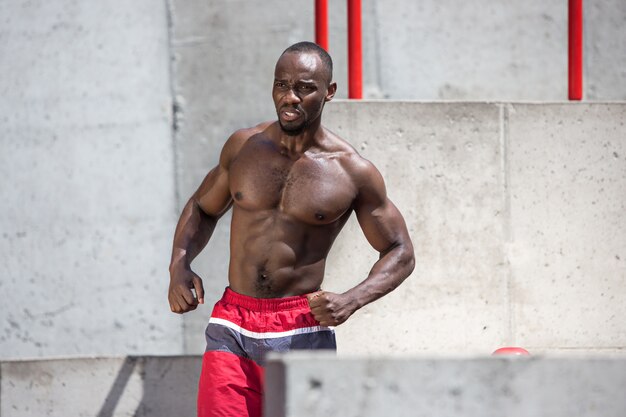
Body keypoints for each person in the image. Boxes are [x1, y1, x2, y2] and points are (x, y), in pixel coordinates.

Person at [168, 41, 415, 417]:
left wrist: (352, 299)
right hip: (232, 322)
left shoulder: (352, 171)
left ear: (329, 92)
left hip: (301, 326)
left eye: (304, 87)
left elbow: (400, 251)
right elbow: (203, 207)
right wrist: (179, 265)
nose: (290, 97)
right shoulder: (243, 147)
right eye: (281, 85)